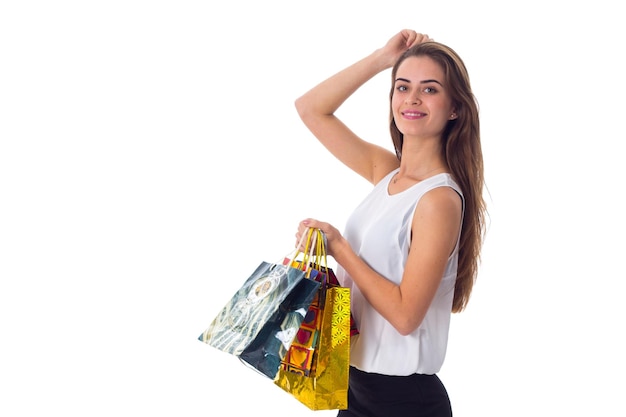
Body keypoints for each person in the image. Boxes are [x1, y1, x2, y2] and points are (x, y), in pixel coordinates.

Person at [293, 29, 486, 416]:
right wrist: (383, 58)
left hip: (403, 401)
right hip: (352, 385)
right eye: (402, 87)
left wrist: (340, 250)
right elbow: (310, 108)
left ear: (455, 108)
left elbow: (404, 316)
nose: (412, 99)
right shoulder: (387, 173)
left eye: (430, 89)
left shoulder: (439, 200)